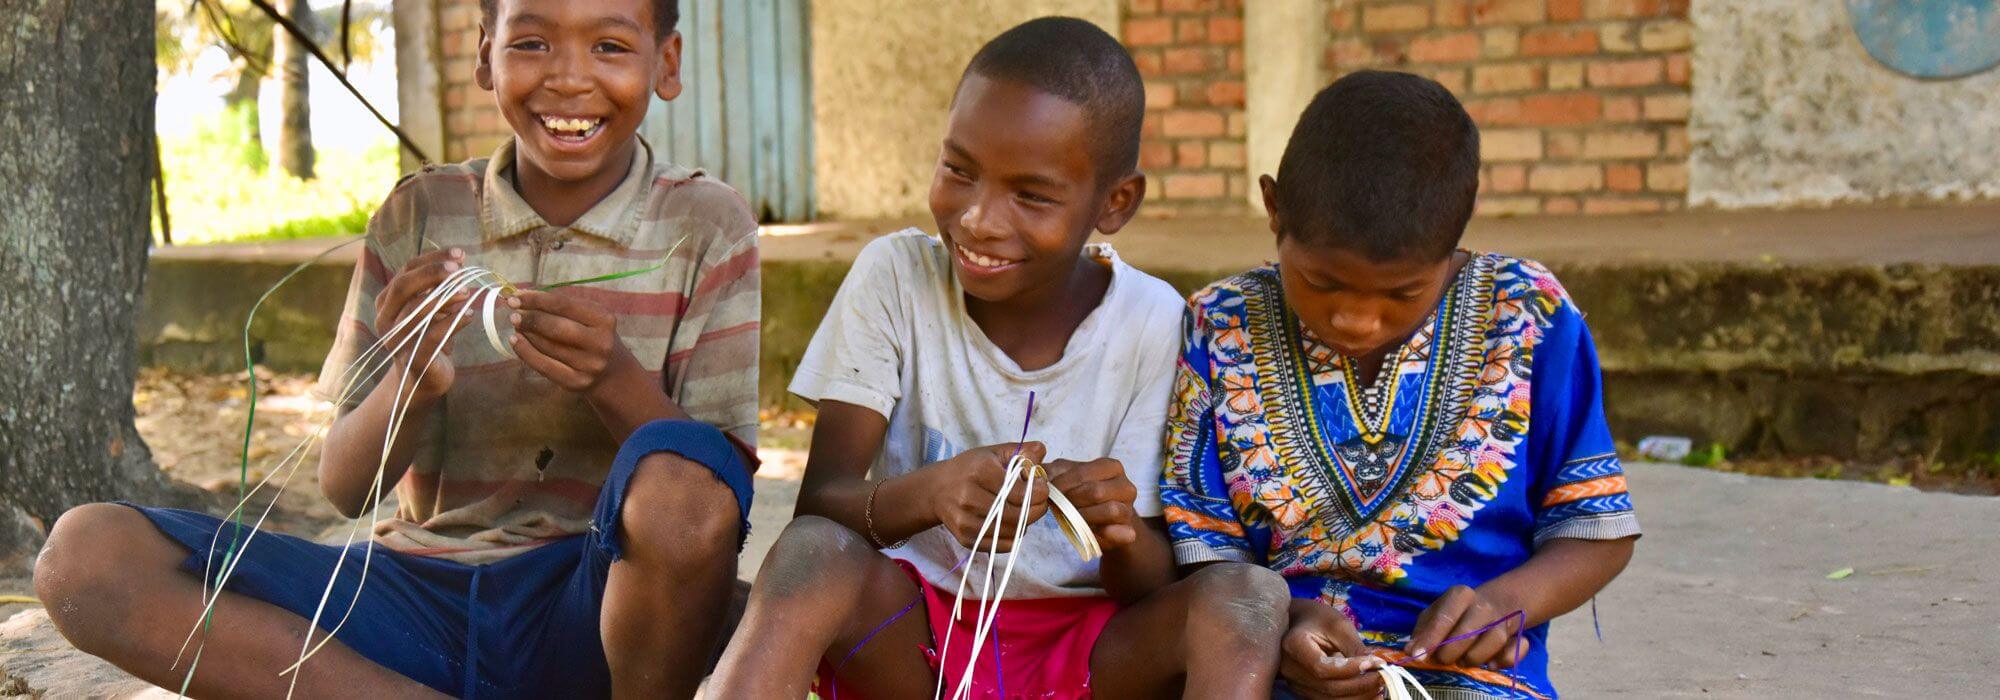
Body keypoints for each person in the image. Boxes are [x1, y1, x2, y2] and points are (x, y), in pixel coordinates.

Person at [34, 0, 759, 696]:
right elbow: (346, 487)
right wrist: (410, 381)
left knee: (682, 486)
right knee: (87, 556)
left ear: (666, 62)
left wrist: (614, 381)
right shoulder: (421, 212)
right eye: (531, 42)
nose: (568, 77)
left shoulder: (705, 226)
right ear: (484, 55)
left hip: (598, 609)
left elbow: (709, 505)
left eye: (609, 45)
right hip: (412, 600)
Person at [707, 17, 1291, 700]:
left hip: (1093, 654)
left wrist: (1120, 531)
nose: (980, 218)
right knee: (809, 556)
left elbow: (1154, 586)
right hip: (914, 640)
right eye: (959, 169)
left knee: (1244, 598)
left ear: (1115, 202)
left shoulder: (1153, 319)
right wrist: (927, 493)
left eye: (1031, 195)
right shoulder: (894, 276)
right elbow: (821, 505)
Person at [1161, 70, 1642, 700]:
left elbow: (1594, 526)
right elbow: (1202, 546)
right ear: (1274, 209)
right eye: (1322, 282)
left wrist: (1508, 601)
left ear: (1453, 238)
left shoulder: (1528, 316)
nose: (1356, 320)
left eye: (1402, 293)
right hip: (1267, 667)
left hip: (1469, 674)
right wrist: (1279, 629)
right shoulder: (1217, 325)